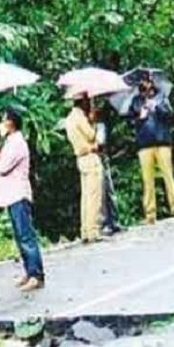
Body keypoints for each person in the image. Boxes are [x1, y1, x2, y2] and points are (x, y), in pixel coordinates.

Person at [0, 109, 45, 292]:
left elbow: (2, 168)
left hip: (18, 194)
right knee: (20, 236)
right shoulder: (9, 142)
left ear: (12, 122)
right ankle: (29, 272)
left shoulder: (17, 143)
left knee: (26, 235)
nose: (2, 123)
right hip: (11, 196)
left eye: (4, 119)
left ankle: (36, 274)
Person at [129, 73, 174, 224]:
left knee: (168, 175)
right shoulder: (136, 101)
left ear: (152, 82)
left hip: (162, 141)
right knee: (147, 180)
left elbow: (169, 115)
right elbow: (130, 123)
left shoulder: (162, 97)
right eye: (143, 81)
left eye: (148, 81)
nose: (146, 84)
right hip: (144, 145)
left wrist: (156, 108)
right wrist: (140, 116)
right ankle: (150, 214)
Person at [65, 94, 104, 243]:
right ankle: (93, 230)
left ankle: (85, 230)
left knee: (86, 196)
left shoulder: (69, 118)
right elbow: (91, 135)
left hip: (80, 158)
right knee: (94, 196)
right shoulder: (80, 117)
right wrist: (93, 121)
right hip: (90, 155)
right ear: (83, 102)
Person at [94, 109, 122, 236]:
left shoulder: (100, 126)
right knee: (103, 192)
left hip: (101, 156)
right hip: (97, 158)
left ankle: (113, 221)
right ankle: (106, 222)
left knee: (108, 190)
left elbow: (101, 142)